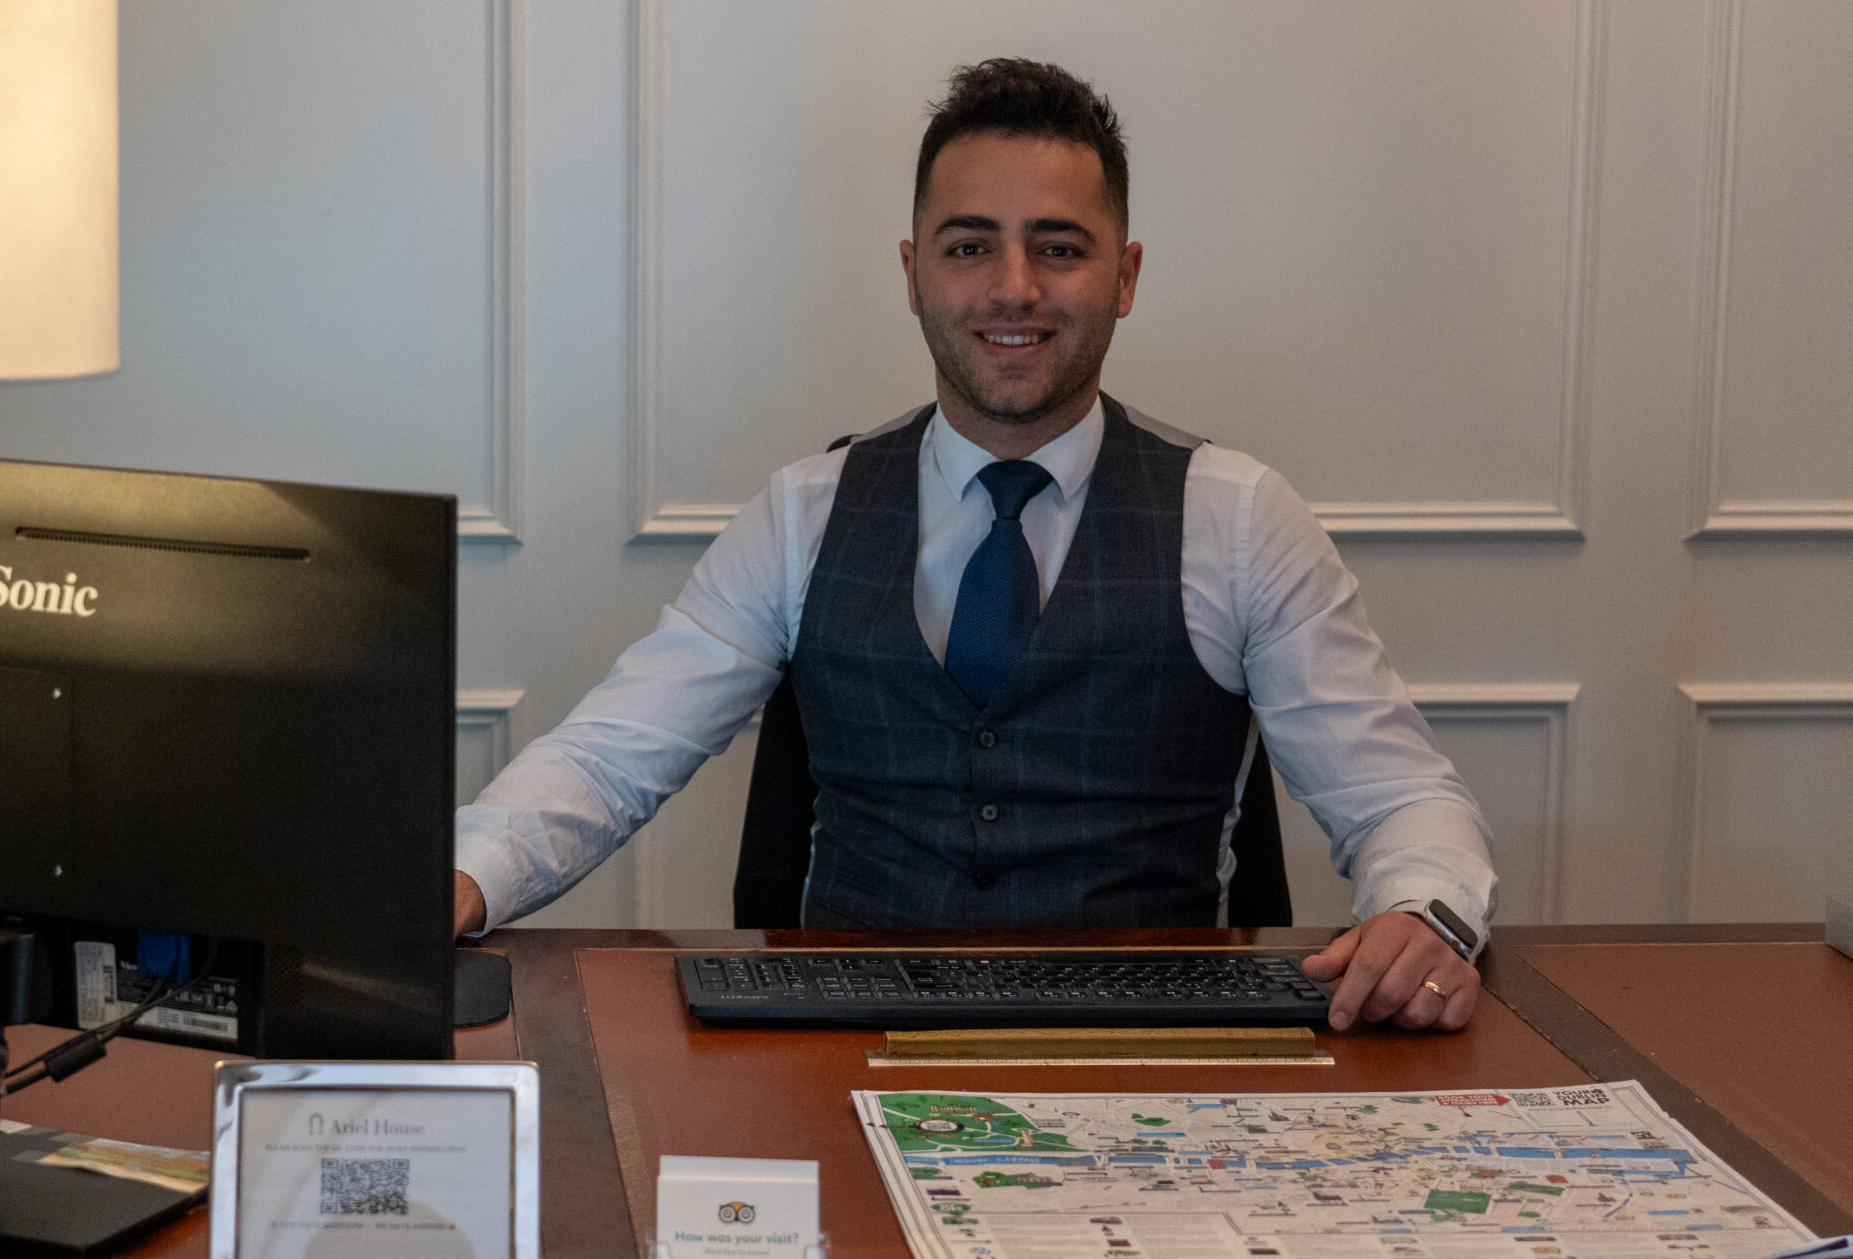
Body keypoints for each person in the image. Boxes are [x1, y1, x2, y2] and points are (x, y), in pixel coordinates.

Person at [453, 58, 1496, 1031]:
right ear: (913, 273)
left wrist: (1423, 912)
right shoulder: (800, 514)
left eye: (1057, 246)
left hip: (1156, 1056)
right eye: (968, 246)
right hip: (837, 1047)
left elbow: (1401, 798)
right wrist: (462, 875)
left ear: (1124, 276)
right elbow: (611, 755)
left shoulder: (1240, 518)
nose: (1012, 288)